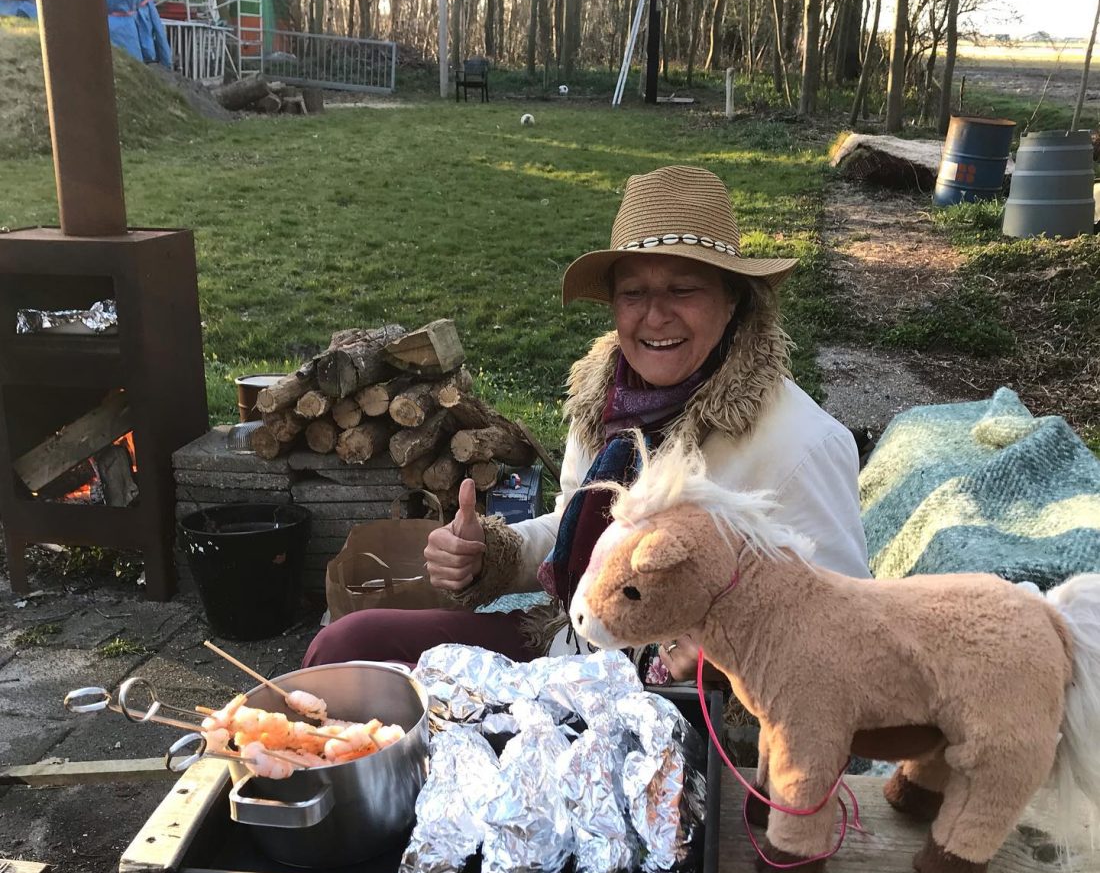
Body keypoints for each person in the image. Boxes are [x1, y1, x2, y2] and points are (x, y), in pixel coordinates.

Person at [304, 165, 869, 679]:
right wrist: (488, 555)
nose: (654, 316)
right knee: (345, 644)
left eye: (683, 289)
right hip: (570, 647)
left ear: (733, 301)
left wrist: (723, 649)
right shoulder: (607, 399)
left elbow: (843, 633)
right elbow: (576, 528)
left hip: (677, 708)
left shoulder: (801, 444)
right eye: (634, 293)